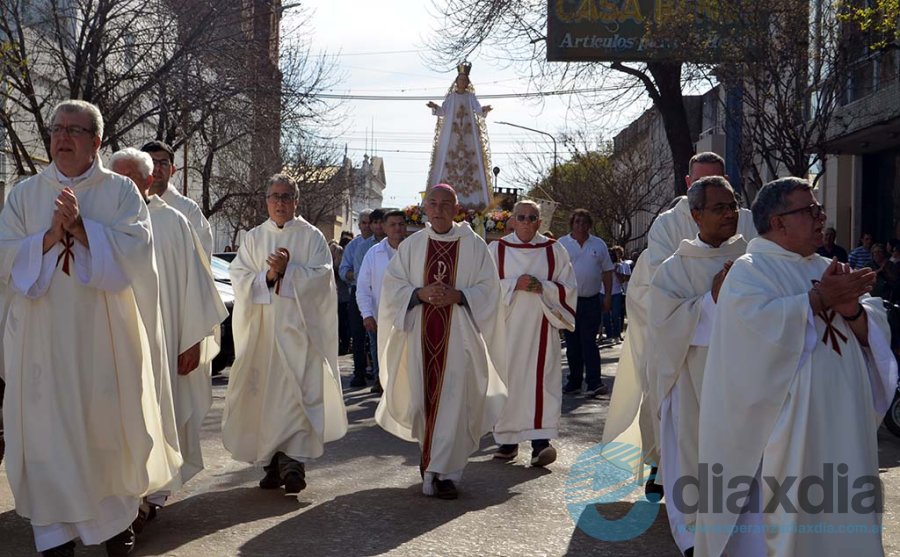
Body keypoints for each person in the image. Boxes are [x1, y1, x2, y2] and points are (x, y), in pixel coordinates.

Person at [0, 100, 181, 557]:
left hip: (104, 345)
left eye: (74, 130)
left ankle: (114, 527)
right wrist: (47, 236)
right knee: (47, 435)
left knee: (107, 434)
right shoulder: (24, 194)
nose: (62, 137)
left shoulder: (121, 193)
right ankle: (56, 539)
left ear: (96, 142)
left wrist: (81, 228)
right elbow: (4, 258)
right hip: (41, 346)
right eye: (57, 129)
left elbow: (137, 258)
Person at [695, 177, 896, 556]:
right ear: (778, 221)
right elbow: (752, 334)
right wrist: (818, 300)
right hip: (785, 434)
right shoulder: (750, 270)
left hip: (844, 423)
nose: (821, 217)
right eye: (810, 210)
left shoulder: (827, 265)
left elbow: (873, 329)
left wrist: (851, 308)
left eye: (819, 209)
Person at [602, 152, 757, 497]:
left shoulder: (747, 221)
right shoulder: (668, 224)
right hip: (680, 338)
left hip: (736, 344)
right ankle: (665, 468)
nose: (712, 188)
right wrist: (708, 299)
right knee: (674, 414)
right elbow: (658, 283)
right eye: (702, 182)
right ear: (689, 188)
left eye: (720, 182)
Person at [109, 148, 228, 524]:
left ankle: (151, 496)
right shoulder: (101, 217)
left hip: (166, 335)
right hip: (115, 340)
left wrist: (192, 338)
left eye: (161, 164)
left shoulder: (178, 220)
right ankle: (120, 494)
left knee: (163, 411)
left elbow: (198, 281)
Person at [376, 184, 506, 500]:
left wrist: (459, 295)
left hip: (459, 340)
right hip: (419, 337)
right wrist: (418, 293)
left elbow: (490, 291)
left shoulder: (474, 246)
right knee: (423, 401)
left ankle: (446, 473)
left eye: (445, 204)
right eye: (432, 203)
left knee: (454, 402)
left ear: (455, 207)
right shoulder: (413, 245)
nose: (438, 209)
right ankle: (429, 457)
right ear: (425, 208)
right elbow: (392, 287)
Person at [222, 174, 348, 496]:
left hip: (299, 333)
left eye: (286, 196)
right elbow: (238, 277)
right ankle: (273, 463)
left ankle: (293, 463)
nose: (280, 202)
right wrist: (269, 274)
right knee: (264, 399)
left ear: (296, 201)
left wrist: (288, 272)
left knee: (295, 398)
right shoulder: (253, 238)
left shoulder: (312, 237)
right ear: (266, 201)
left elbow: (322, 279)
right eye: (275, 196)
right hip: (263, 333)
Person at [648, 177, 748, 555]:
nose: (730, 214)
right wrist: (711, 300)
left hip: (744, 381)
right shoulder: (675, 268)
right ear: (696, 215)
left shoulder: (755, 258)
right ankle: (694, 539)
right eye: (719, 208)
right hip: (691, 378)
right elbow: (663, 324)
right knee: (694, 456)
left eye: (733, 205)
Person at [489, 200, 576, 467]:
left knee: (542, 384)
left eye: (532, 217)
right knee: (509, 381)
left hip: (542, 329)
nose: (526, 222)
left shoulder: (554, 250)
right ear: (512, 220)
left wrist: (543, 288)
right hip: (507, 331)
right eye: (521, 217)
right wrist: (515, 284)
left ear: (540, 222)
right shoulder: (497, 250)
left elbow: (568, 287)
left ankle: (541, 443)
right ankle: (507, 441)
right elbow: (485, 289)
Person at [558, 209, 614, 396]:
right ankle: (574, 381)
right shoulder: (562, 244)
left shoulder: (598, 245)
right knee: (572, 344)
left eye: (584, 222)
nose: (580, 225)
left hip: (591, 300)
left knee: (589, 342)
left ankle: (594, 382)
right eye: (577, 222)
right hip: (569, 301)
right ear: (572, 224)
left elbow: (607, 271)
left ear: (589, 224)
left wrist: (607, 296)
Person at [426, 61, 493, 210]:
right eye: (460, 80)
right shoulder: (451, 97)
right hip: (452, 134)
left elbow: (478, 110)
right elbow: (443, 112)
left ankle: (473, 198)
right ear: (456, 82)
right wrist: (435, 107)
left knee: (472, 160)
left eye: (464, 80)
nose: (462, 82)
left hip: (469, 135)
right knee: (447, 159)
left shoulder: (470, 97)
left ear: (467, 83)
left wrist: (484, 109)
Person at [356, 209, 406, 394]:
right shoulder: (373, 254)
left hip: (408, 316)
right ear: (384, 227)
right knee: (381, 354)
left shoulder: (414, 250)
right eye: (392, 224)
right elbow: (363, 287)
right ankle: (383, 384)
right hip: (380, 316)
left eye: (401, 224)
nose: (397, 228)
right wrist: (367, 314)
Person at [140, 141, 213, 257]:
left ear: (173, 170)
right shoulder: (131, 206)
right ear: (142, 167)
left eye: (163, 163)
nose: (157, 169)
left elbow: (202, 255)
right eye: (152, 162)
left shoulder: (188, 209)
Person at [339, 209, 376, 387]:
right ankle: (359, 373)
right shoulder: (354, 246)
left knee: (375, 335)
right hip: (357, 292)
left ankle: (376, 372)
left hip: (376, 292)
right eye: (364, 223)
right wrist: (354, 275)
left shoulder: (382, 243)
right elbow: (343, 270)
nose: (367, 226)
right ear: (359, 225)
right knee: (358, 334)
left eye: (370, 222)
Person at [603, 245, 629, 343]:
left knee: (615, 314)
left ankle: (616, 335)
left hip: (616, 292)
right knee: (606, 314)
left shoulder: (620, 266)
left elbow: (622, 280)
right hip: (604, 291)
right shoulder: (603, 265)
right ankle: (609, 335)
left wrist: (615, 271)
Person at [330, 241, 351, 355]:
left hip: (342, 298)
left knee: (343, 323)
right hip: (334, 298)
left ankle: (345, 345)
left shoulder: (339, 265)